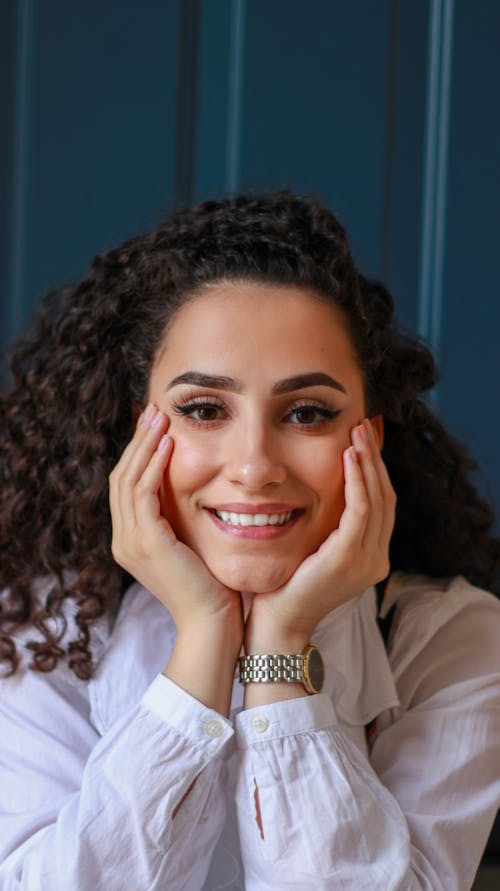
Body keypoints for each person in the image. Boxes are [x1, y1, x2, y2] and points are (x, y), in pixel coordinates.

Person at [0, 191, 499, 891]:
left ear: (370, 438)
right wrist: (204, 639)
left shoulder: (454, 640)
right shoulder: (39, 628)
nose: (255, 465)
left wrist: (282, 648)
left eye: (307, 412)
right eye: (204, 409)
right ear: (139, 430)